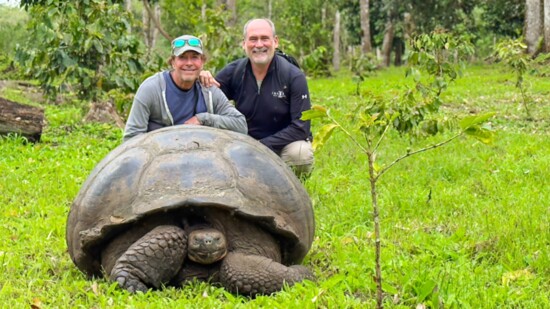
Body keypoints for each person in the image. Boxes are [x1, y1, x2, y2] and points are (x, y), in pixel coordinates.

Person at [200, 18, 314, 178]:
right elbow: (208, 101)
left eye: (264, 38)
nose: (259, 45)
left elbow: (301, 128)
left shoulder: (293, 76)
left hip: (282, 146)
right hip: (242, 144)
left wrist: (261, 147)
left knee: (300, 153)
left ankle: (292, 189)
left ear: (275, 42)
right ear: (244, 44)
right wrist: (201, 77)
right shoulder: (235, 72)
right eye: (253, 39)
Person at [123, 35, 247, 142]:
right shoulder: (151, 89)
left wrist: (203, 119)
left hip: (201, 156)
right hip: (159, 158)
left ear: (202, 62)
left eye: (194, 57)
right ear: (173, 62)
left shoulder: (208, 90)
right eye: (182, 57)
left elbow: (241, 125)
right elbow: (132, 137)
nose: (189, 63)